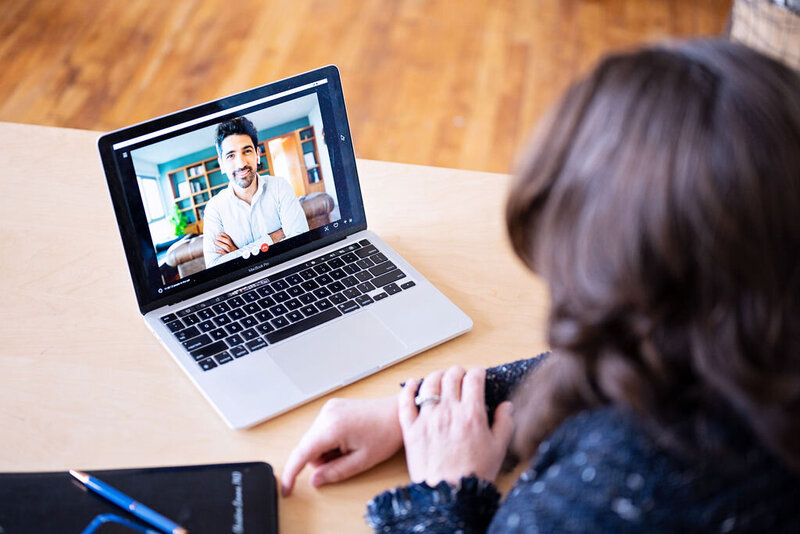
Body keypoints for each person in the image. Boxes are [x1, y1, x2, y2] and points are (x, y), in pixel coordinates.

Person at [281, 40, 800, 532]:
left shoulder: (612, 494)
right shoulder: (757, 336)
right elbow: (646, 356)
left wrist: (442, 493)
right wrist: (419, 408)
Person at [202, 116, 309, 267]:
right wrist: (273, 238)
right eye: (231, 155)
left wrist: (238, 254)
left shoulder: (280, 186)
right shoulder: (214, 208)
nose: (241, 163)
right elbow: (214, 266)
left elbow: (301, 240)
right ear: (222, 165)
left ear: (257, 154)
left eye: (247, 151)